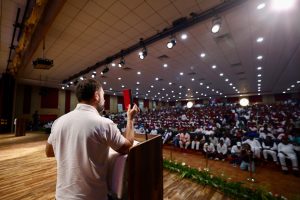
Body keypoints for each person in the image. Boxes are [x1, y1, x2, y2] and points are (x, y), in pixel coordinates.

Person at [45, 79, 139, 200]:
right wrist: (130, 119)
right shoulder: (104, 124)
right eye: (103, 96)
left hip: (61, 196)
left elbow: (49, 152)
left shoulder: (59, 121)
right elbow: (127, 146)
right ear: (96, 96)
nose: (104, 100)